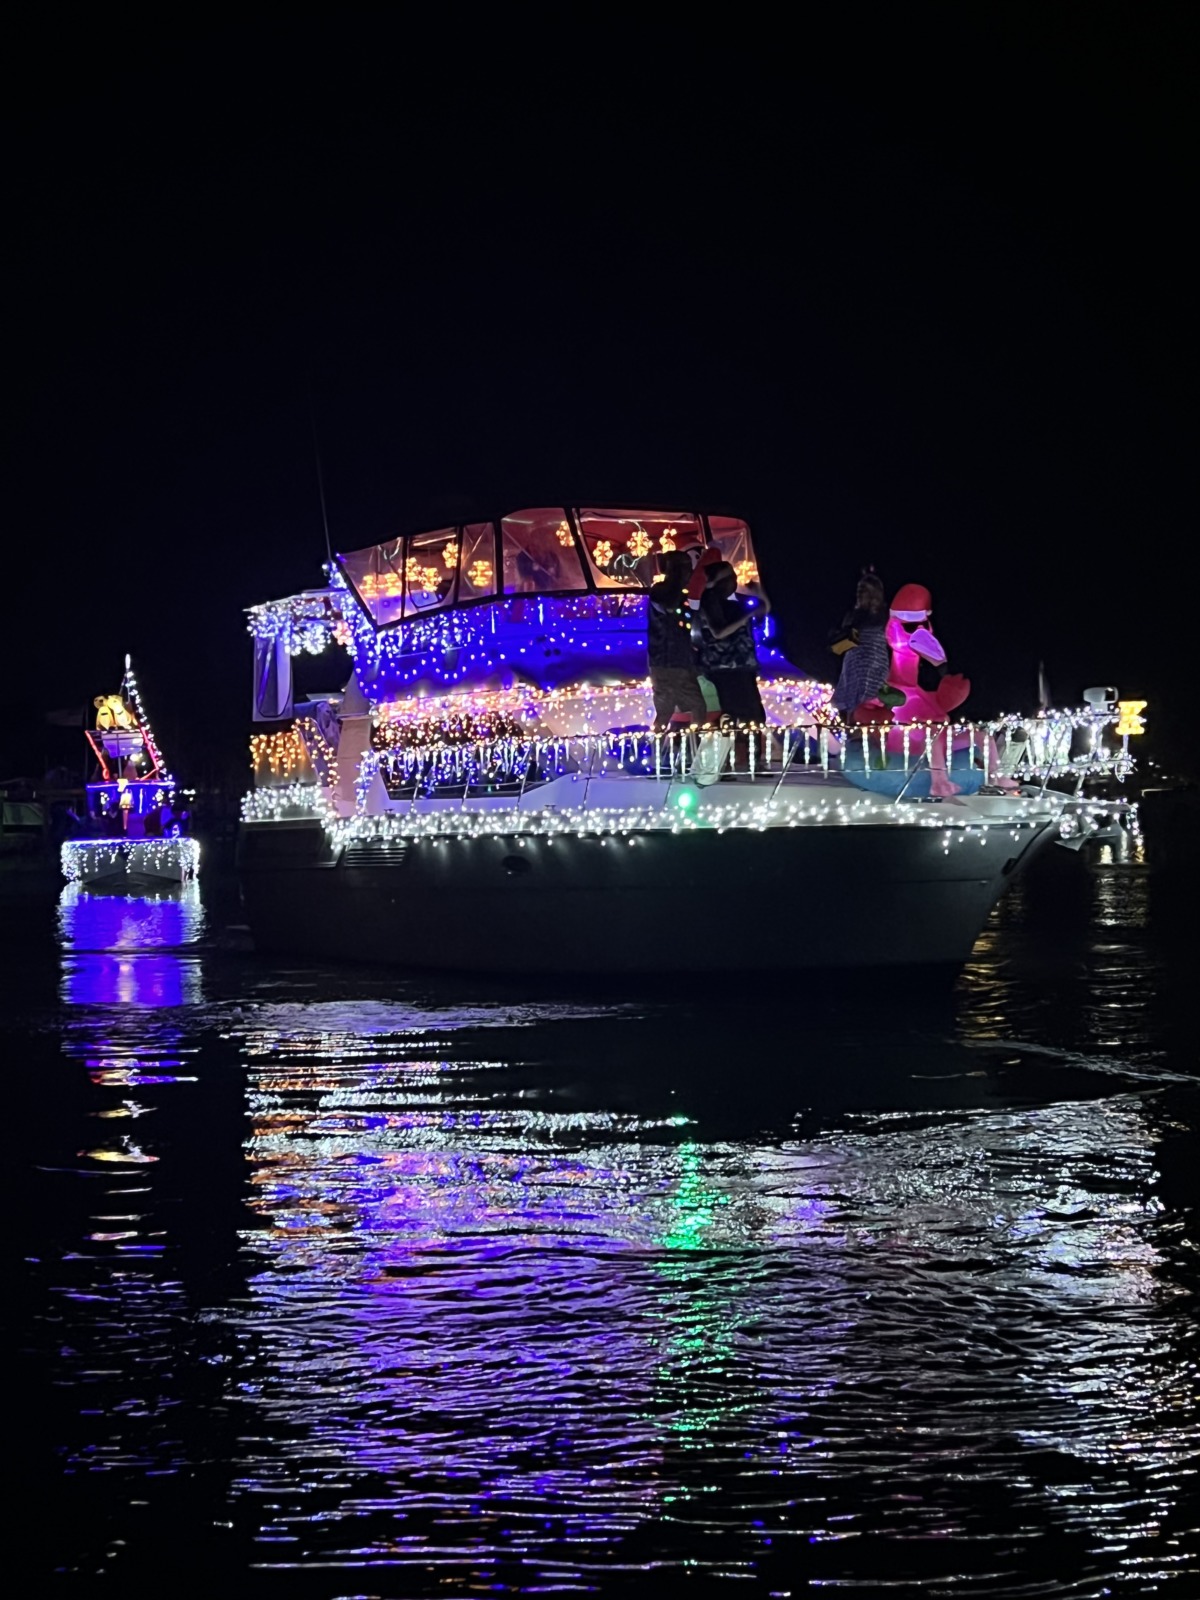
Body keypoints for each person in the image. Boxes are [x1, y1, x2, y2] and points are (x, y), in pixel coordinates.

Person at [697, 561, 770, 726]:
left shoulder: (732, 602)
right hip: (727, 667)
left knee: (753, 715)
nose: (735, 582)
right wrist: (746, 616)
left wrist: (759, 593)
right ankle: (743, 747)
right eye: (732, 579)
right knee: (745, 715)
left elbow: (763, 610)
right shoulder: (710, 599)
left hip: (740, 665)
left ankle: (748, 746)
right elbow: (719, 632)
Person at [648, 550, 707, 729]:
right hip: (666, 662)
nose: (690, 572)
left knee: (694, 708)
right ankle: (686, 746)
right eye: (686, 568)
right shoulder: (659, 591)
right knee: (672, 711)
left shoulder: (683, 595)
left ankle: (691, 745)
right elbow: (670, 606)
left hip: (679, 661)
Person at [831, 570, 891, 721]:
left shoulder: (883, 615)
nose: (859, 593)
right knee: (852, 702)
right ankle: (852, 733)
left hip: (874, 662)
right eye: (858, 590)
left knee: (870, 701)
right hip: (854, 662)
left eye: (863, 590)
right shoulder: (853, 615)